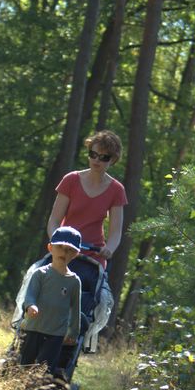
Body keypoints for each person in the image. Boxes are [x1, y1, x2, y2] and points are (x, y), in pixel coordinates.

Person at [47, 130, 127, 270]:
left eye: (104, 157)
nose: (97, 160)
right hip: (64, 252)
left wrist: (109, 249)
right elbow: (54, 220)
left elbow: (115, 232)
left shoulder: (117, 190)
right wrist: (57, 241)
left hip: (93, 256)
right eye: (93, 154)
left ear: (113, 160)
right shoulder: (71, 180)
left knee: (102, 292)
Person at [19, 226, 82, 376]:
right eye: (60, 247)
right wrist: (31, 305)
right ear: (50, 248)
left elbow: (75, 309)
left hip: (56, 333)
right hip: (34, 327)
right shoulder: (40, 274)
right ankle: (20, 385)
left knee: (45, 366)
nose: (64, 252)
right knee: (26, 361)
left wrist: (73, 331)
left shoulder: (74, 281)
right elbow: (31, 295)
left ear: (76, 254)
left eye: (69, 250)